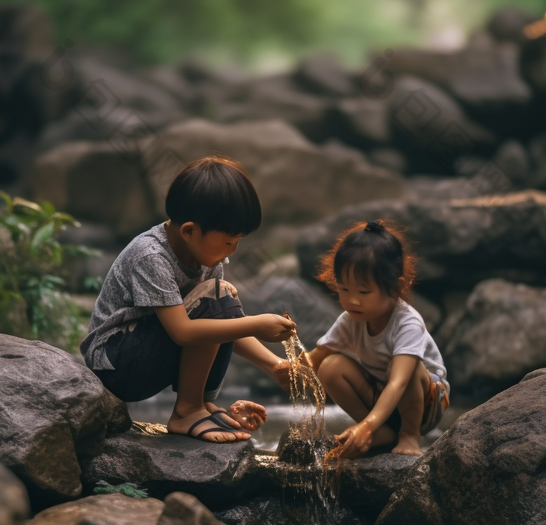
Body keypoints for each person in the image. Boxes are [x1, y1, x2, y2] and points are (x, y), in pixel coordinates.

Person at [81, 156, 294, 443]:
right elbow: (182, 331)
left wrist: (273, 365)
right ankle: (187, 411)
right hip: (117, 364)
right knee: (218, 293)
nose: (232, 250)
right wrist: (257, 324)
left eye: (238, 241)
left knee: (221, 297)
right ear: (190, 231)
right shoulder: (151, 255)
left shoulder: (205, 255)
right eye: (228, 241)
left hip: (148, 354)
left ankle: (201, 404)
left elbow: (223, 322)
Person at [301, 219, 449, 460]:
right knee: (329, 367)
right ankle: (380, 432)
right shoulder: (351, 319)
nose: (352, 301)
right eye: (344, 289)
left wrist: (365, 426)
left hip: (424, 403)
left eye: (364, 292)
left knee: (407, 369)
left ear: (395, 287)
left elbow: (398, 383)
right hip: (380, 396)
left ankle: (409, 435)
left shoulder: (407, 323)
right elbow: (316, 357)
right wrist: (287, 367)